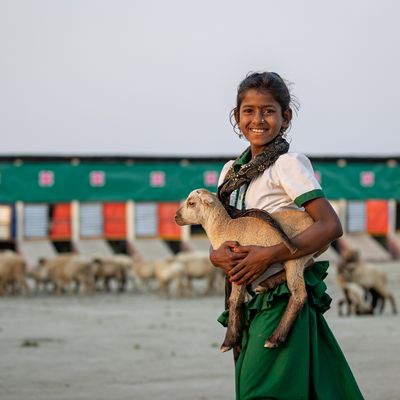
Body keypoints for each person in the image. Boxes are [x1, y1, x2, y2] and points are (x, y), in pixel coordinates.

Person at [210, 72, 364, 400]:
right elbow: (223, 233)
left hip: (279, 297)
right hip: (245, 301)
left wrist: (268, 255)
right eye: (248, 110)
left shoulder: (287, 165)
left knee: (262, 392)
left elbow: (328, 225)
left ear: (285, 116)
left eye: (268, 110)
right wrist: (215, 256)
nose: (258, 119)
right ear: (236, 117)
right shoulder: (230, 172)